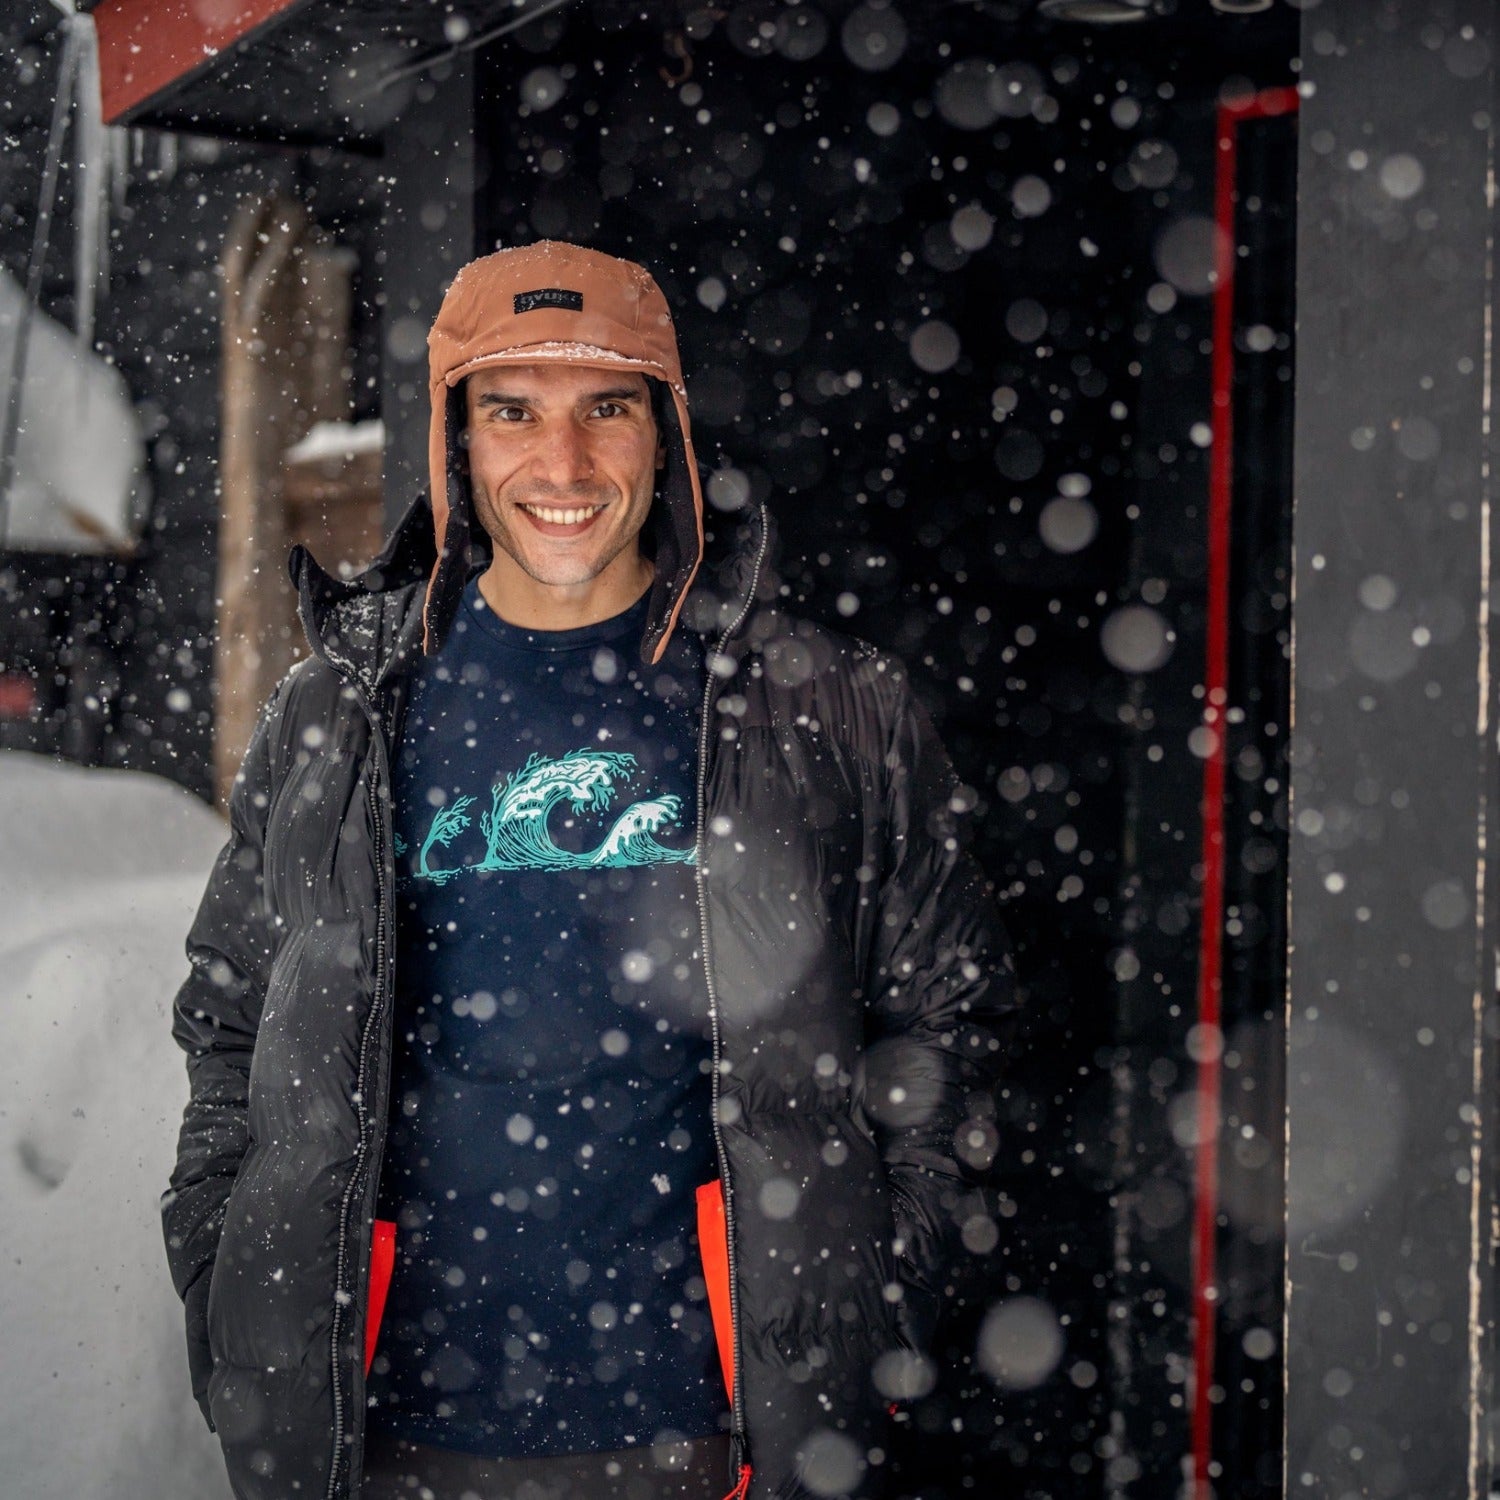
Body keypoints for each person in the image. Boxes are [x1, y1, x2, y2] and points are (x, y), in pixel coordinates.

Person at [162, 241, 1017, 1500]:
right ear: (457, 440)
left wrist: (872, 1308)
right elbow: (230, 1023)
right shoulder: (338, 707)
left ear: (665, 434)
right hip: (378, 1431)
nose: (561, 465)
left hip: (712, 1430)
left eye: (605, 409)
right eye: (513, 411)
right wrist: (229, 1283)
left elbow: (947, 1026)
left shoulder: (823, 707)